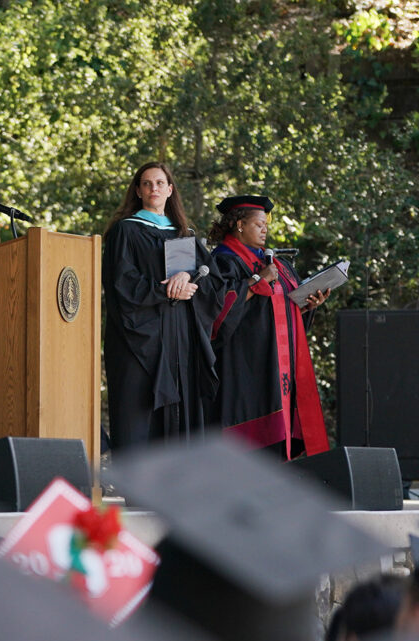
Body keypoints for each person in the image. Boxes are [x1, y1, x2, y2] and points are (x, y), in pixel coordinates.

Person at [102, 162, 223, 453]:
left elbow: (212, 281)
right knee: (138, 409)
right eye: (146, 183)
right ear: (138, 191)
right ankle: (137, 488)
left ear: (170, 190)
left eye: (159, 183)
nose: (153, 188)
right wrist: (165, 289)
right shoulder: (126, 231)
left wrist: (188, 278)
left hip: (180, 338)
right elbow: (121, 282)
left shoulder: (183, 235)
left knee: (182, 409)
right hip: (140, 339)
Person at [207, 195, 329, 460]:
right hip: (243, 366)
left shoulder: (274, 265)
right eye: (259, 224)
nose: (265, 229)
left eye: (266, 224)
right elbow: (216, 314)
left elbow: (282, 308)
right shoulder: (223, 262)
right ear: (239, 225)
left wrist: (307, 305)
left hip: (275, 365)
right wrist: (255, 281)